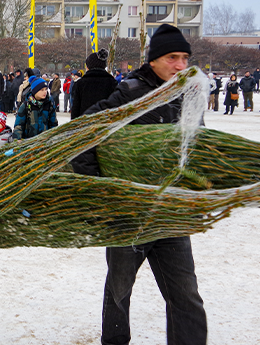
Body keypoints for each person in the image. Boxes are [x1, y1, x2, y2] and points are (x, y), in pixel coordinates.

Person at [79, 24, 207, 345]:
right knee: (120, 291)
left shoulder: (189, 94)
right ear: (153, 60)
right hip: (130, 216)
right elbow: (83, 135)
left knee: (186, 295)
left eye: (185, 58)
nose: (180, 65)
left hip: (171, 215)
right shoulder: (133, 92)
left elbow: (198, 146)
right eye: (172, 58)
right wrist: (100, 189)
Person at [70, 48, 117, 120]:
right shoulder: (112, 82)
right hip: (106, 124)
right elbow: (116, 106)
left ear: (88, 66)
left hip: (85, 124)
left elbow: (76, 108)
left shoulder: (81, 83)